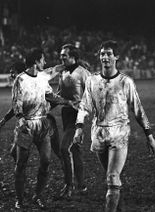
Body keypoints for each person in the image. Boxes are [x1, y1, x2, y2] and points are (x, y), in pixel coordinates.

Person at [73, 40, 155, 212]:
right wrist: (79, 128)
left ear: (116, 57)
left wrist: (149, 135)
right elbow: (84, 106)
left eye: (109, 53)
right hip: (99, 134)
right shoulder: (92, 81)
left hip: (119, 134)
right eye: (102, 53)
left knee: (112, 177)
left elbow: (138, 110)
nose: (105, 57)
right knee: (113, 178)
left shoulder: (125, 82)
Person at [11, 48, 75, 210]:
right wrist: (20, 119)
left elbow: (50, 95)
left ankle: (37, 196)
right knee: (21, 164)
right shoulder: (20, 80)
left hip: (42, 124)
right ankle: (19, 199)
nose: (45, 62)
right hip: (27, 126)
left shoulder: (42, 77)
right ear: (36, 62)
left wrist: (67, 102)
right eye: (43, 60)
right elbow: (16, 103)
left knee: (46, 161)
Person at [0, 61, 64, 162]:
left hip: (42, 122)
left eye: (13, 72)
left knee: (54, 150)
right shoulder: (20, 84)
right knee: (14, 152)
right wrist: (5, 119)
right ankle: (21, 170)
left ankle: (66, 166)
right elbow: (17, 107)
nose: (11, 75)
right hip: (29, 122)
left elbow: (50, 98)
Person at [57, 44, 91, 198]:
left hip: (78, 116)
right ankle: (81, 185)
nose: (61, 57)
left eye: (64, 55)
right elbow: (59, 93)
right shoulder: (63, 72)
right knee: (75, 150)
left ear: (73, 57)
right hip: (66, 114)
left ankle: (68, 185)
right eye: (61, 55)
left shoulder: (83, 73)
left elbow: (92, 93)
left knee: (65, 148)